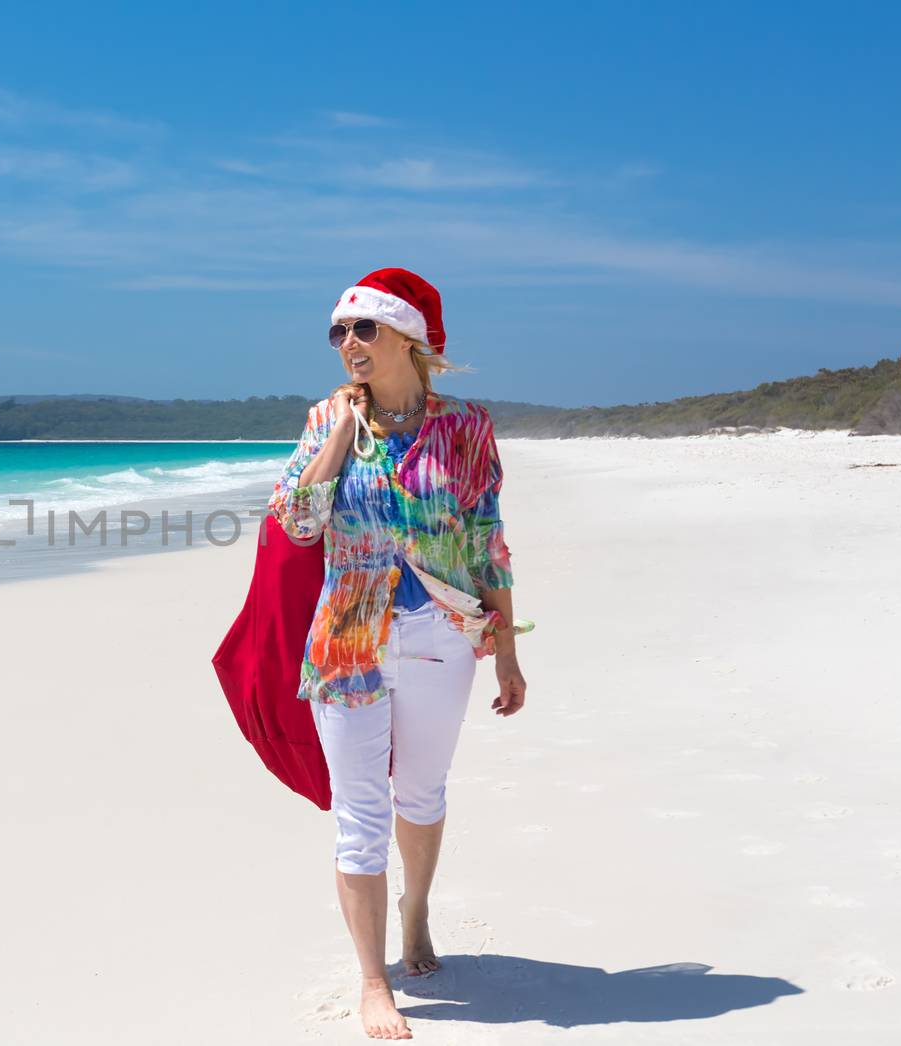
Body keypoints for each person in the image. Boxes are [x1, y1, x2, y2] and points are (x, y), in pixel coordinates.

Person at [267, 268, 527, 1041]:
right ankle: (374, 981)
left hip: (441, 634)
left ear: (405, 339)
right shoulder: (325, 419)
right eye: (337, 332)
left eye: (363, 329)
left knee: (421, 792)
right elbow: (297, 524)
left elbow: (489, 544)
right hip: (346, 635)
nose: (347, 343)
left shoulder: (466, 426)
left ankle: (415, 914)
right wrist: (342, 437)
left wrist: (506, 651)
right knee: (359, 818)